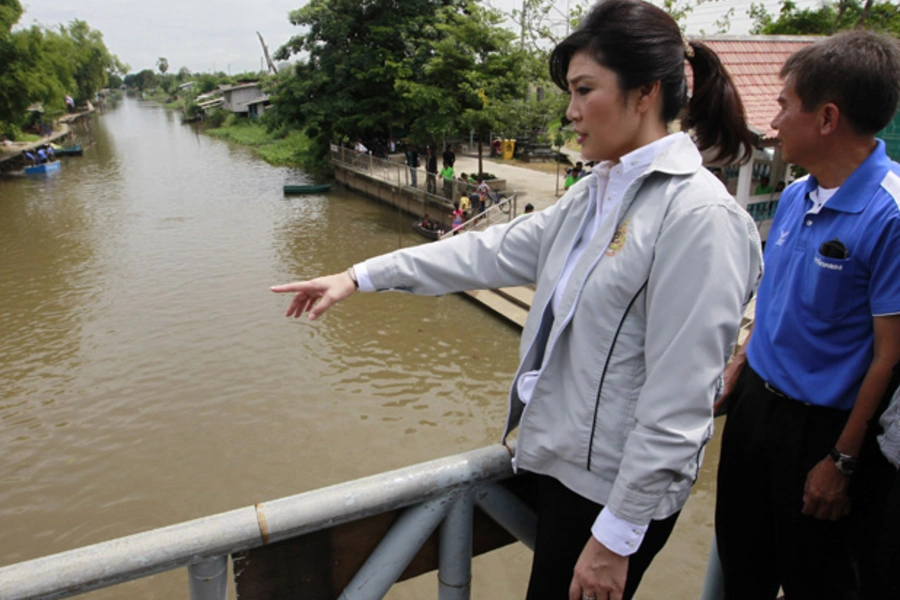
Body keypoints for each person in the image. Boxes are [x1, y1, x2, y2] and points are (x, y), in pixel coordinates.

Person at [272, 2, 760, 599]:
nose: (570, 112)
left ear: (644, 93)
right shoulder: (594, 197)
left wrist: (616, 538)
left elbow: (680, 403)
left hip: (613, 495)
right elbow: (482, 254)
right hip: (561, 470)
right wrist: (360, 275)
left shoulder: (698, 218)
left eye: (584, 90)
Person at [714, 30, 900, 600]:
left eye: (784, 105)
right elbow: (775, 297)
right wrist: (742, 361)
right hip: (755, 409)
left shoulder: (888, 215)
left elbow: (891, 355)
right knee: (740, 560)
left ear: (826, 118)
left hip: (824, 432)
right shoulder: (798, 195)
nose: (773, 122)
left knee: (815, 577)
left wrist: (841, 461)